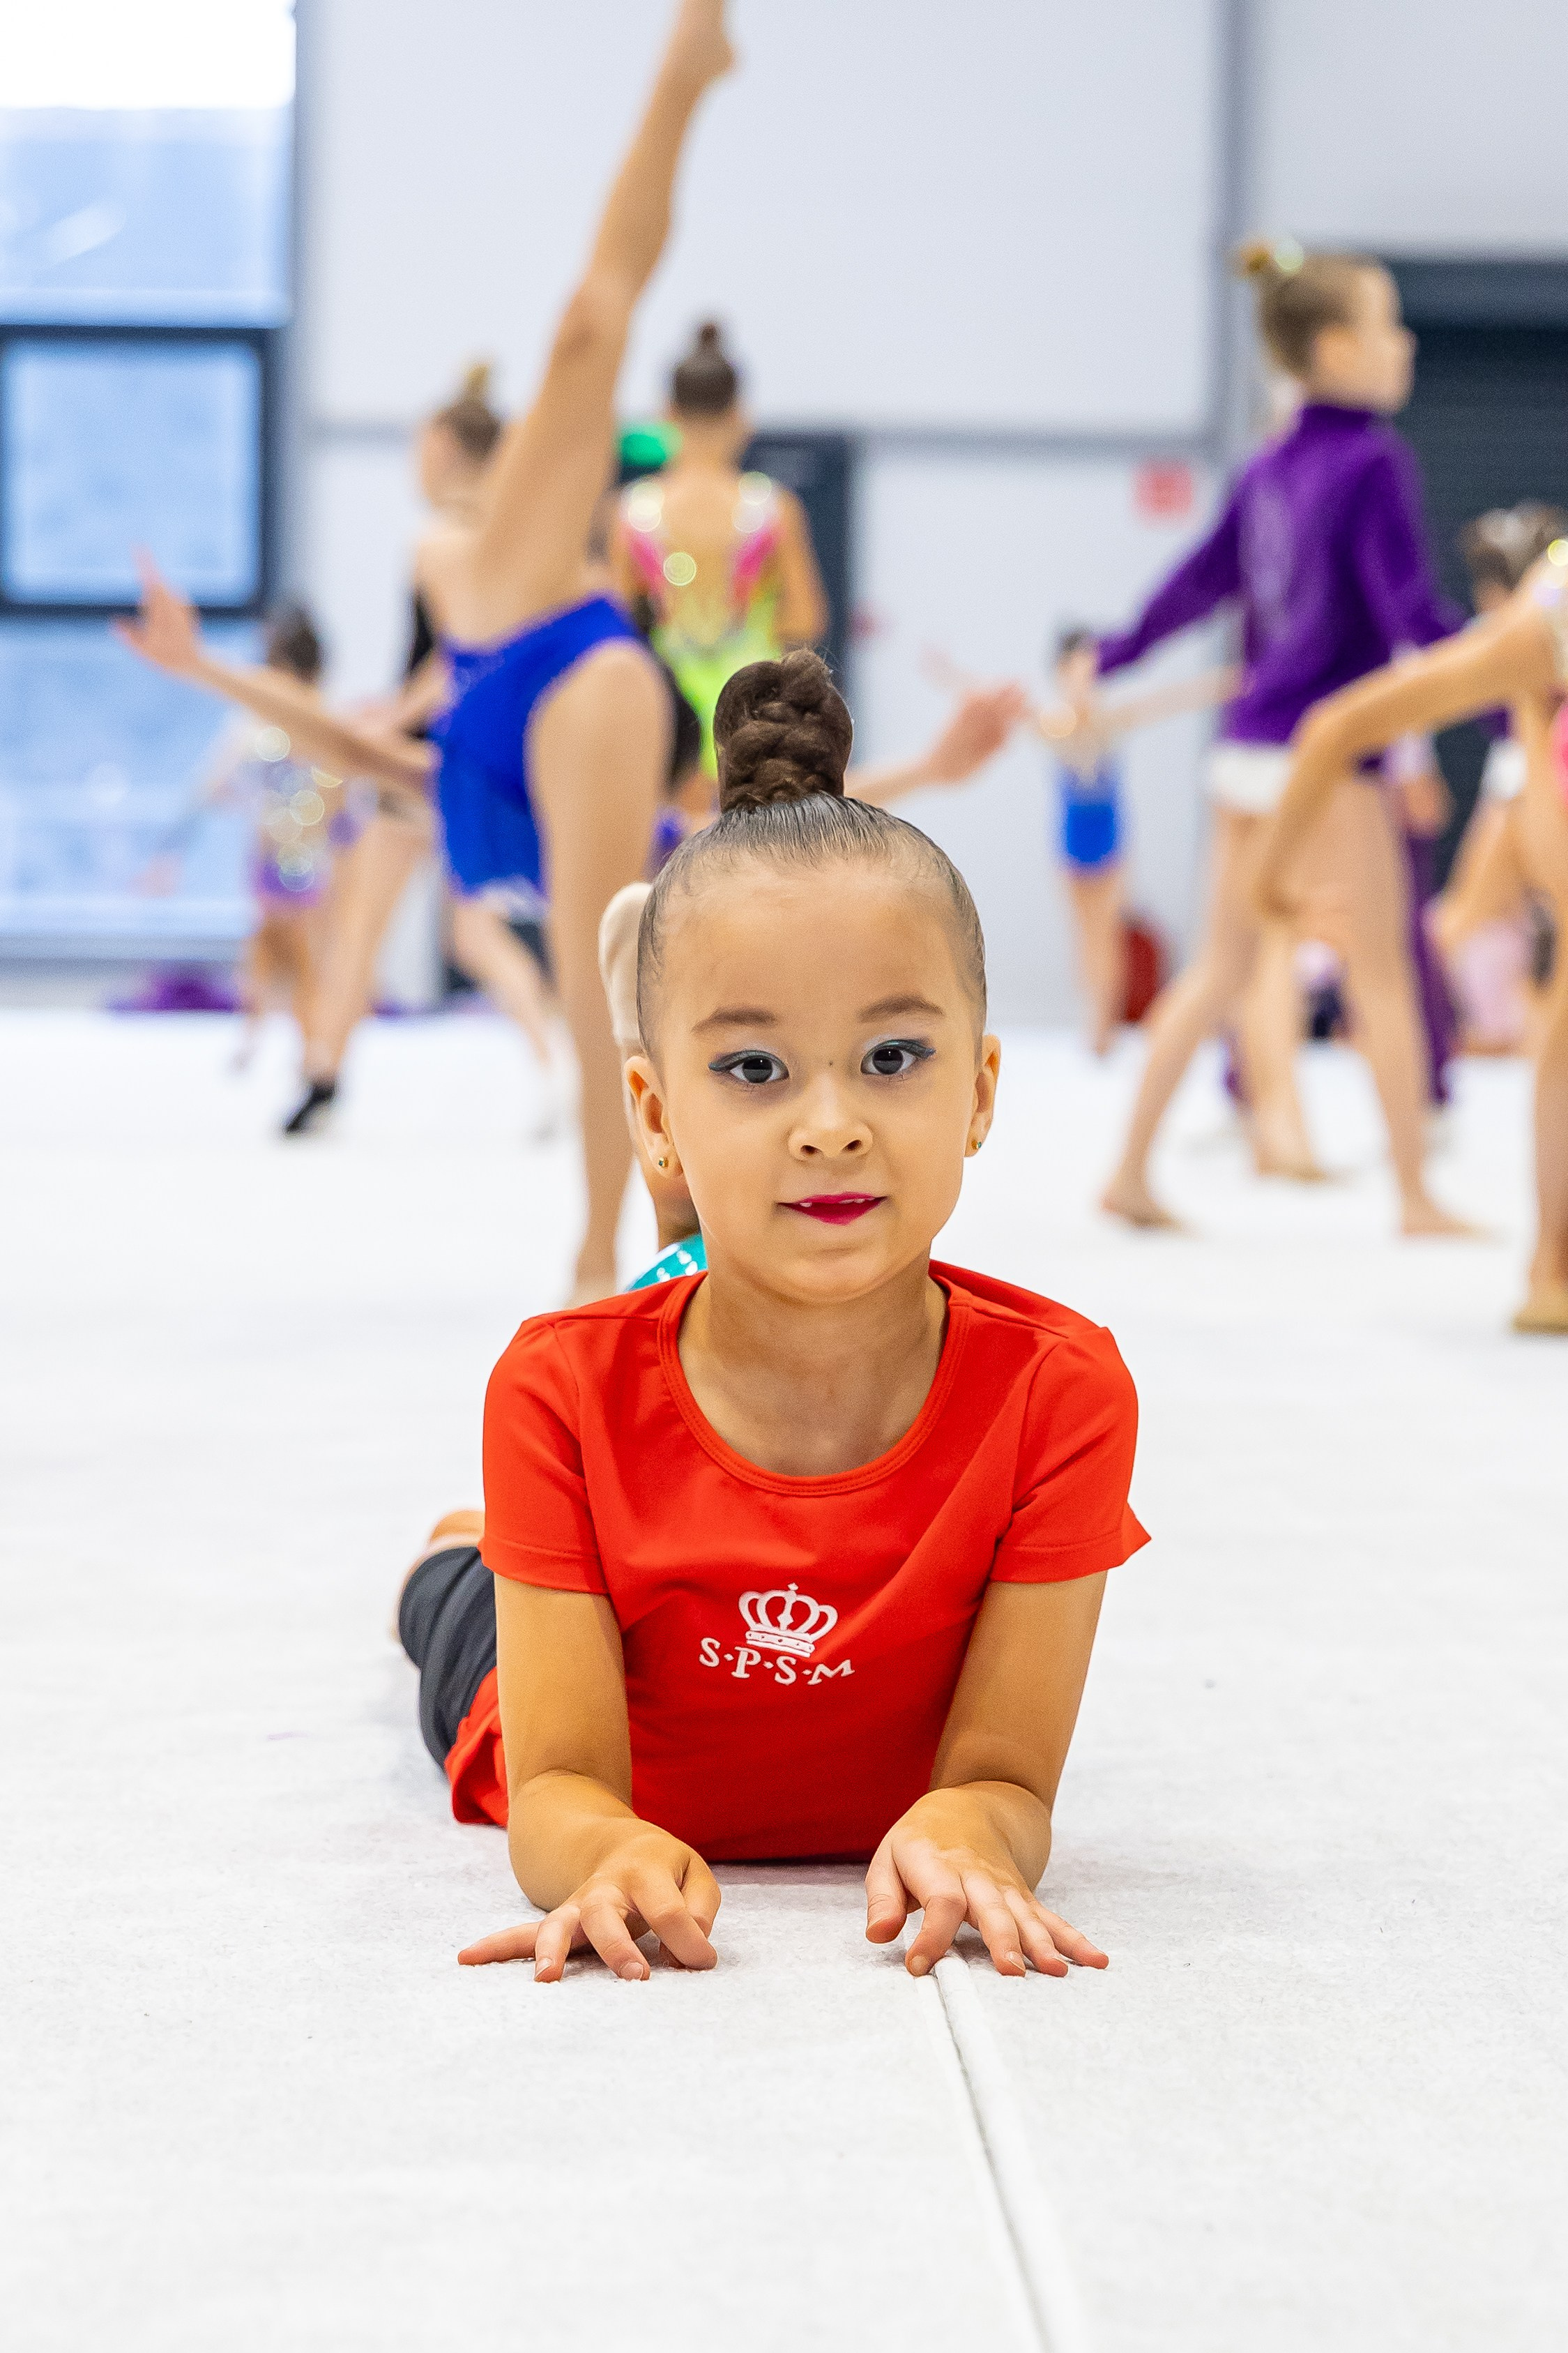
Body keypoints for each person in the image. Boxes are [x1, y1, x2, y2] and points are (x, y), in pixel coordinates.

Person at [397, 650, 1148, 1982]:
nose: (831, 1123)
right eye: (753, 1066)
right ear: (649, 1114)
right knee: (445, 1591)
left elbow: (1002, 1776)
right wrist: (600, 1846)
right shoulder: (551, 1395)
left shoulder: (1059, 1391)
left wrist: (971, 1822)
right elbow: (562, 1777)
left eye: (892, 1057)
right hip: (532, 1678)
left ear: (979, 1089)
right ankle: (465, 1549)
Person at [118, 0, 738, 1300]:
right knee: (612, 1011)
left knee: (589, 324)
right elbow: (353, 745)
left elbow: (359, 742)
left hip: (549, 653)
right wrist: (202, 672)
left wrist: (213, 672)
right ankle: (639, 1244)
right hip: (543, 699)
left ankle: (682, 73)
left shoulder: (463, 563)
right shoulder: (499, 765)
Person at [1093, 240, 1469, 1235]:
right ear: (1338, 347)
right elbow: (1411, 611)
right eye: (1389, 325)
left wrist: (1115, 652)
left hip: (1246, 747)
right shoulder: (1374, 460)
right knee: (1379, 969)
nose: (1406, 344)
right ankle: (1418, 1195)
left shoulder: (1268, 464)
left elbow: (1199, 578)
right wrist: (1510, 663)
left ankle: (1129, 1168)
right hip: (1331, 753)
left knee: (1221, 963)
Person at [1256, 541, 1568, 1329]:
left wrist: (1274, 874)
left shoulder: (1541, 626)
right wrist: (1273, 875)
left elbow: (1337, 727)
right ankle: (1547, 1261)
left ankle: (1547, 1262)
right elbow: (1336, 727)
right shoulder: (1543, 624)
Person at [281, 368, 510, 1135]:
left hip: (419, 757)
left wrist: (382, 727)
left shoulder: (442, 541)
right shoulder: (502, 538)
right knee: (469, 930)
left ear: (444, 448)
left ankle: (322, 1070)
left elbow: (453, 657)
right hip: (474, 750)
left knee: (362, 923)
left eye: (420, 447)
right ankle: (550, 1058)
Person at [139, 602, 365, 1065]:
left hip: (293, 848)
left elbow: (215, 783)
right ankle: (291, 1044)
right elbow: (343, 790)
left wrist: (173, 848)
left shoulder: (274, 716)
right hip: (302, 847)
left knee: (291, 951)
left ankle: (301, 1050)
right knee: (285, 948)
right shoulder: (318, 713)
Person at [611, 319, 828, 774]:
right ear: (739, 416)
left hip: (665, 705)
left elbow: (616, 623)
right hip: (752, 705)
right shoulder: (771, 507)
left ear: (666, 414)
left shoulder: (633, 512)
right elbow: (805, 619)